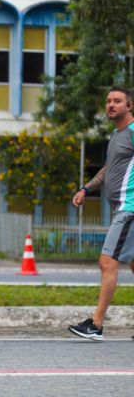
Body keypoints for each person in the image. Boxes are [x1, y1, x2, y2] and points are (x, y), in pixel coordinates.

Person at [69, 85, 134, 341]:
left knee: (107, 262)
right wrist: (86, 188)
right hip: (121, 207)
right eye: (108, 101)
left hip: (129, 208)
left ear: (129, 106)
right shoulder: (116, 136)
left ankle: (95, 325)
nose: (110, 105)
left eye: (117, 101)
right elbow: (109, 169)